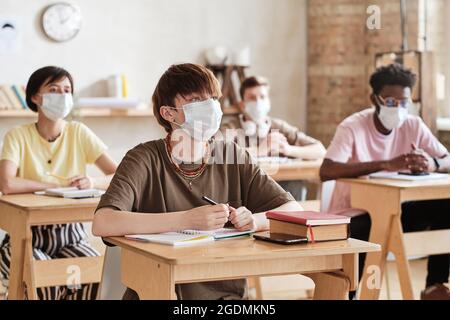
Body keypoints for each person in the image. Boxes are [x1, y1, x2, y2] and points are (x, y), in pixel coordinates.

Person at [92, 63, 302, 300]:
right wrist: (185, 219)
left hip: (226, 297)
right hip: (159, 290)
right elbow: (103, 222)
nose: (211, 107)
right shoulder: (144, 158)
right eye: (196, 100)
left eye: (213, 98)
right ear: (168, 113)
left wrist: (254, 220)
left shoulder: (231, 155)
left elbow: (293, 210)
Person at [320, 63, 450, 300]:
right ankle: (345, 294)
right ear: (375, 99)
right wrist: (386, 164)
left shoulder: (413, 125)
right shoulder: (353, 127)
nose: (399, 108)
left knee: (446, 206)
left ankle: (435, 286)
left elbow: (446, 159)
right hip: (356, 214)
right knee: (367, 232)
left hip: (397, 209)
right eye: (391, 102)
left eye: (404, 102)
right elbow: (326, 170)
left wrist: (431, 163)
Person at [0, 66, 118, 300]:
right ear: (35, 96)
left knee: (91, 275)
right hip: (24, 239)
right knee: (45, 280)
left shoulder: (79, 132)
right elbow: (6, 183)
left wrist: (92, 181)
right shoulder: (17, 136)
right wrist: (49, 186)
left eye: (67, 90)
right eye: (54, 89)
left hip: (71, 235)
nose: (62, 95)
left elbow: (119, 175)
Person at [220, 76, 326, 200]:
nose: (258, 102)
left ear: (268, 101)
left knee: (295, 184)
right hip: (247, 188)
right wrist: (260, 150)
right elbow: (218, 153)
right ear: (242, 105)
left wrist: (289, 149)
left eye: (262, 97)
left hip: (280, 185)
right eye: (252, 98)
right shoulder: (230, 127)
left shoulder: (279, 126)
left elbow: (320, 150)